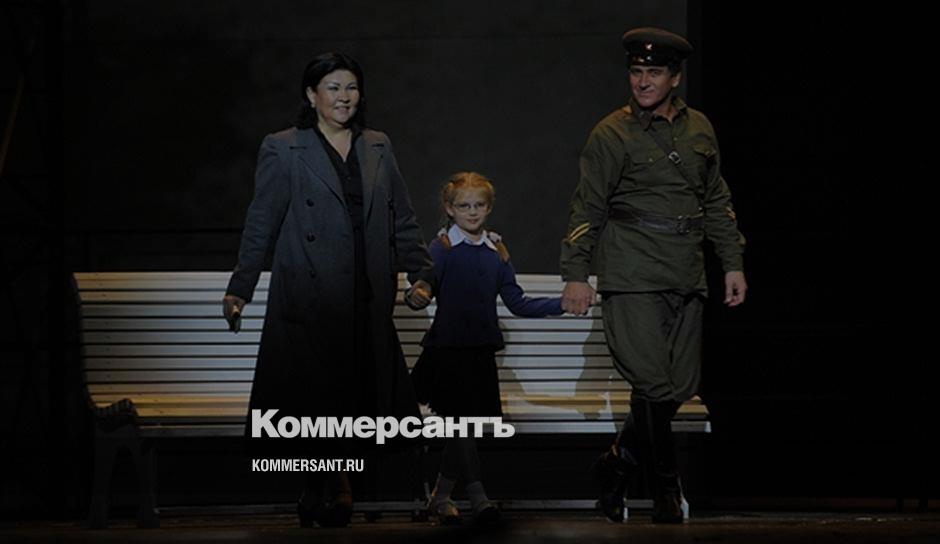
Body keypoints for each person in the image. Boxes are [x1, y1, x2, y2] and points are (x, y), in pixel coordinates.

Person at [222, 52, 434, 528]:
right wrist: (241, 286)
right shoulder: (284, 147)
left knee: (352, 395)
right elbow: (262, 221)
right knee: (319, 396)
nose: (344, 97)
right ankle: (332, 483)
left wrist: (422, 271)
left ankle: (324, 483)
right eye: (333, 88)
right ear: (311, 95)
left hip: (365, 289)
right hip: (310, 290)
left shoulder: (377, 145)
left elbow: (401, 216)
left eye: (351, 87)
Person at [559, 27, 748, 523]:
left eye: (654, 72)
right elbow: (587, 206)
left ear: (675, 78)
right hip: (632, 271)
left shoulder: (699, 128)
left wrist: (732, 262)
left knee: (679, 384)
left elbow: (716, 200)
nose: (643, 81)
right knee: (651, 382)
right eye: (637, 71)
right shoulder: (611, 133)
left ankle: (616, 465)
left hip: (686, 271)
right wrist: (576, 273)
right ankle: (666, 488)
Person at [409, 172, 564, 525]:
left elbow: (517, 302)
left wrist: (562, 305)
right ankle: (478, 497)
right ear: (450, 208)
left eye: (479, 205)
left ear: (489, 207)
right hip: (447, 353)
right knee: (462, 424)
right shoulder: (443, 247)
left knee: (464, 427)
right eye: (464, 206)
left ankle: (441, 497)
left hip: (478, 353)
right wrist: (416, 294)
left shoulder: (497, 253)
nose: (472, 212)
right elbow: (423, 284)